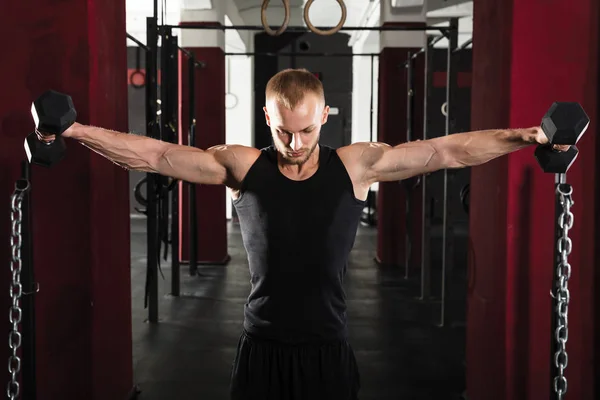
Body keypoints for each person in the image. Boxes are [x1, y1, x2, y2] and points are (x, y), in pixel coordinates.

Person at [60, 68, 558, 400]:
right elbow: (153, 155)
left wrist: (524, 137)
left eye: (306, 131)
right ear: (267, 119)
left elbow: (445, 151)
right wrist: (74, 131)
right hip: (261, 348)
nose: (295, 144)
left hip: (328, 350)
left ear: (325, 116)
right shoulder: (242, 166)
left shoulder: (356, 167)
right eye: (283, 131)